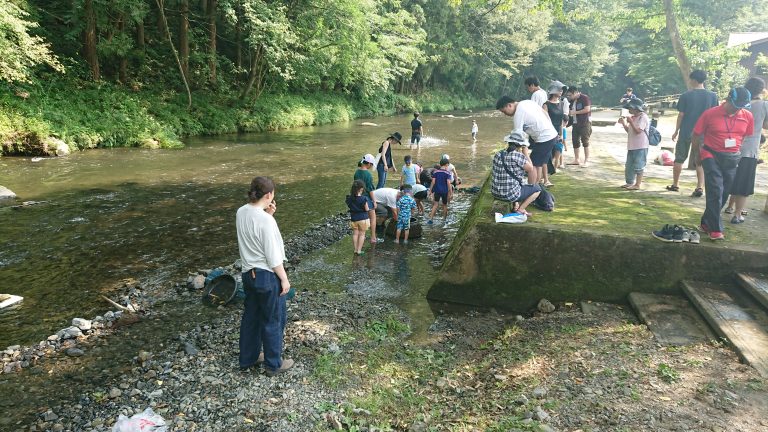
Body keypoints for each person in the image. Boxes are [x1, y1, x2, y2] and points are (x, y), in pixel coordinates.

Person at [236, 176, 294, 376]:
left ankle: (248, 358)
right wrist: (284, 279)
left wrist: (268, 214)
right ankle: (273, 364)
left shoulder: (241, 212)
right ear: (269, 195)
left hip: (248, 275)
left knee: (251, 317)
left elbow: (253, 232)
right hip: (266, 276)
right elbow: (272, 255)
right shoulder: (265, 220)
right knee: (273, 319)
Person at [693, 87, 754, 241]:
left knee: (724, 193)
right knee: (715, 190)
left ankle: (706, 223)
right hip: (710, 153)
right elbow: (696, 134)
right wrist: (697, 155)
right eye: (735, 105)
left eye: (741, 106)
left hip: (732, 157)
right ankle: (715, 229)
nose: (738, 109)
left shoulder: (747, 116)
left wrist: (735, 151)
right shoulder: (710, 113)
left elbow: (745, 136)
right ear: (727, 99)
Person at [668, 70, 719, 197]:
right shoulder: (713, 96)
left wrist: (676, 131)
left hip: (686, 131)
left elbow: (681, 115)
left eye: (691, 79)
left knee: (679, 158)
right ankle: (699, 187)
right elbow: (714, 116)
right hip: (703, 133)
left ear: (694, 80)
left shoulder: (686, 95)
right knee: (700, 160)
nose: (690, 82)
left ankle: (675, 184)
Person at [725, 77, 768, 224]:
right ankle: (737, 214)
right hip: (750, 149)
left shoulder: (738, 102)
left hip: (731, 146)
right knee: (744, 183)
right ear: (761, 90)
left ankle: (729, 206)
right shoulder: (763, 105)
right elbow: (766, 125)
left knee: (733, 177)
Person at [496, 95, 559, 185]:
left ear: (509, 105)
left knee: (531, 165)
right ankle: (536, 186)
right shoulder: (527, 102)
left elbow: (517, 138)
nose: (505, 115)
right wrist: (549, 127)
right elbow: (545, 112)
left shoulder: (518, 114)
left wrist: (511, 154)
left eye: (504, 111)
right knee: (538, 163)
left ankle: (532, 189)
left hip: (545, 139)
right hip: (551, 135)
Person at [490, 131, 541, 215]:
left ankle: (515, 205)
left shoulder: (498, 154)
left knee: (514, 182)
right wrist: (525, 153)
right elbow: (530, 168)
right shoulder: (517, 156)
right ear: (521, 145)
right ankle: (521, 209)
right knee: (537, 189)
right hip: (509, 195)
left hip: (495, 192)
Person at [617, 99, 650, 190]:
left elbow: (638, 131)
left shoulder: (643, 117)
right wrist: (624, 123)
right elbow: (630, 131)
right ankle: (629, 182)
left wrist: (631, 121)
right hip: (632, 145)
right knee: (629, 165)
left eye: (631, 108)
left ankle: (638, 184)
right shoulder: (633, 117)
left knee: (639, 165)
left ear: (636, 108)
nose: (629, 110)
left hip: (641, 146)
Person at [354, 154, 380, 244]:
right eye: (371, 164)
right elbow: (370, 190)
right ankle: (373, 237)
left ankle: (361, 236)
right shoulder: (368, 175)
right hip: (366, 198)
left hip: (357, 198)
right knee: (373, 217)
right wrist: (374, 201)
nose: (371, 166)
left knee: (361, 217)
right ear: (368, 163)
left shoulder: (357, 172)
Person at [565, 86, 592, 167]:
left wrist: (575, 112)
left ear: (575, 93)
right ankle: (576, 159)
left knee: (585, 141)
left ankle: (586, 160)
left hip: (584, 123)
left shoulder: (584, 98)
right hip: (575, 123)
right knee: (575, 141)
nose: (569, 97)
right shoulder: (572, 101)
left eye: (570, 95)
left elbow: (587, 109)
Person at [543, 84, 567, 176]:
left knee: (557, 152)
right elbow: (545, 120)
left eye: (562, 90)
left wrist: (560, 134)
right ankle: (544, 176)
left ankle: (552, 172)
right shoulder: (546, 104)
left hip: (558, 131)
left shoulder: (561, 103)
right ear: (553, 91)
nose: (561, 91)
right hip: (548, 132)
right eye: (559, 89)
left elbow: (561, 120)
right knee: (547, 155)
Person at [346, 180, 370, 255]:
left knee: (355, 234)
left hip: (354, 219)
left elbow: (349, 205)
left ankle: (355, 249)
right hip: (363, 218)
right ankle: (359, 250)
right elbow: (367, 209)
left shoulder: (349, 198)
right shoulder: (363, 199)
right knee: (362, 234)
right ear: (361, 189)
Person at [427, 158, 453, 225]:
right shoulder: (448, 173)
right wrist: (451, 193)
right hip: (444, 191)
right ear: (446, 164)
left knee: (435, 204)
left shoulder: (436, 172)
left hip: (437, 191)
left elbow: (433, 182)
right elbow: (448, 183)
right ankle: (444, 219)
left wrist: (430, 190)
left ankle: (431, 219)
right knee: (445, 205)